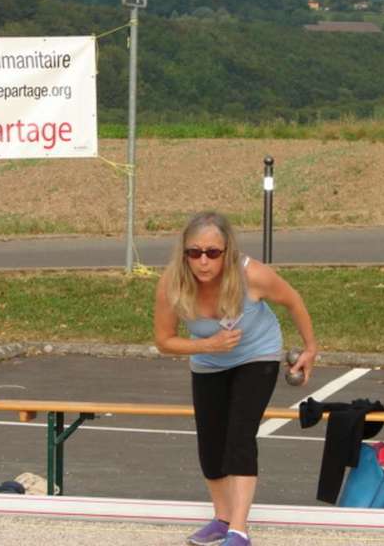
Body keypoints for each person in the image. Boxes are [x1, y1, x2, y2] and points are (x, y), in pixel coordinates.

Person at [154, 211, 319, 546]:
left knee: (239, 436)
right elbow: (164, 341)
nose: (203, 261)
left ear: (227, 252)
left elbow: (293, 301)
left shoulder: (252, 275)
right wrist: (207, 345)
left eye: (212, 253)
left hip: (257, 354)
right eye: (194, 252)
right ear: (183, 253)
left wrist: (310, 348)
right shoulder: (172, 283)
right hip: (208, 361)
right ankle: (222, 518)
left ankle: (239, 529)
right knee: (210, 443)